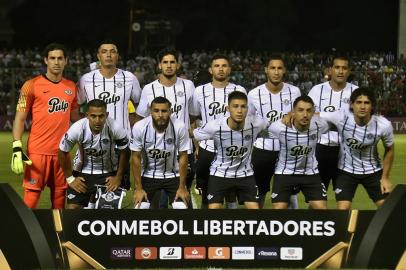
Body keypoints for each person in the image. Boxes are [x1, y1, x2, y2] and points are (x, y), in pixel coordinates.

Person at [11, 43, 80, 209]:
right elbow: (20, 118)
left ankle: (56, 235)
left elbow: (76, 119)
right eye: (52, 58)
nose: (56, 62)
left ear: (66, 61)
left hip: (62, 153)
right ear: (45, 61)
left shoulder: (71, 87)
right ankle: (24, 235)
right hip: (37, 153)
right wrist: (16, 146)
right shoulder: (31, 85)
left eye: (60, 58)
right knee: (31, 199)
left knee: (59, 200)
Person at [135, 48, 196, 207]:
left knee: (181, 197)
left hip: (183, 151)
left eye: (172, 62)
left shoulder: (188, 86)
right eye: (165, 62)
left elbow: (193, 116)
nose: (169, 65)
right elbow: (141, 118)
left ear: (178, 64)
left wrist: (196, 145)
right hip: (155, 152)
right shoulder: (149, 89)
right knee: (157, 202)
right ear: (159, 65)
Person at [78, 40, 141, 191]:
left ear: (118, 56)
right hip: (93, 142)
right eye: (104, 51)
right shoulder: (86, 79)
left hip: (122, 143)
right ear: (98, 56)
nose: (108, 54)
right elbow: (80, 106)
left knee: (119, 191)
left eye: (112, 51)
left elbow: (138, 103)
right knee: (90, 189)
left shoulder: (129, 78)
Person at [319, 88, 394, 210]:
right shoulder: (340, 117)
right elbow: (314, 114)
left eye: (367, 103)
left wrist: (385, 178)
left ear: (372, 106)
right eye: (359, 102)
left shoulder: (383, 125)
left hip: (373, 171)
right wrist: (292, 114)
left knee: (386, 208)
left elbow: (390, 149)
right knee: (343, 209)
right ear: (352, 105)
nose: (362, 106)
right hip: (345, 171)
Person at [193, 91, 267, 209]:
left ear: (247, 109)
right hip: (220, 174)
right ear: (228, 108)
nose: (239, 110)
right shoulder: (215, 127)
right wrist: (197, 148)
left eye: (243, 106)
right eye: (235, 106)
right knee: (213, 210)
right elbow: (195, 134)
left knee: (255, 210)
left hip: (245, 174)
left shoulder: (257, 123)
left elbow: (272, 128)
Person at [192, 54, 246, 209]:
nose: (220, 69)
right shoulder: (200, 91)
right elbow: (194, 118)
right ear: (210, 70)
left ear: (229, 69)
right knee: (207, 192)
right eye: (217, 66)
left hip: (232, 149)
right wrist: (197, 145)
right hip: (207, 148)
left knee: (231, 192)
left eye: (224, 66)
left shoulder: (239, 89)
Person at [247, 54, 301, 208]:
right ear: (266, 70)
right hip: (262, 149)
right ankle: (257, 227)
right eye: (272, 68)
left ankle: (293, 228)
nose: (276, 72)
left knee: (290, 192)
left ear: (284, 71)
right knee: (259, 192)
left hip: (287, 150)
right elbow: (249, 122)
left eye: (279, 68)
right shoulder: (254, 94)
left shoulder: (294, 92)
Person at [58, 99, 129, 209]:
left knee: (106, 212)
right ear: (87, 115)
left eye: (101, 116)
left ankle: (92, 205)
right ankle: (90, 204)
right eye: (93, 116)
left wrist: (118, 177)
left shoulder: (115, 127)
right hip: (82, 172)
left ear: (107, 115)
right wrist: (70, 178)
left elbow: (125, 151)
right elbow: (62, 151)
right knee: (72, 210)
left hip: (108, 173)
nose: (97, 120)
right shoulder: (77, 128)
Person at [308, 55, 358, 192]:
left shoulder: (355, 92)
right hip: (320, 149)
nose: (340, 71)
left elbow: (357, 121)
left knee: (344, 197)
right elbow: (308, 116)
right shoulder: (316, 90)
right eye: (337, 67)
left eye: (344, 68)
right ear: (330, 70)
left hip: (345, 151)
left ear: (349, 71)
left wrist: (323, 117)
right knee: (316, 197)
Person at [269, 95, 329, 210]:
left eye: (308, 111)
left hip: (310, 172)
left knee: (322, 209)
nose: (305, 115)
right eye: (300, 110)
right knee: (278, 210)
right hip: (285, 172)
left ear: (313, 112)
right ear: (293, 112)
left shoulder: (320, 125)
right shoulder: (278, 127)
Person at [131, 97, 190, 209]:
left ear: (170, 111)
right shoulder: (139, 127)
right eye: (156, 110)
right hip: (148, 174)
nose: (160, 114)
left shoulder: (179, 126)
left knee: (182, 207)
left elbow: (183, 156)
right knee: (140, 207)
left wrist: (182, 187)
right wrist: (138, 188)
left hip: (173, 174)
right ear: (150, 111)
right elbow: (136, 157)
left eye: (164, 111)